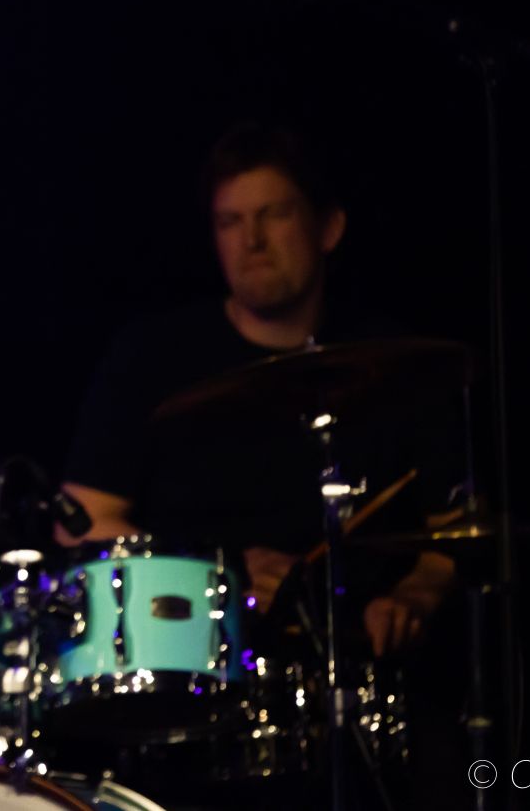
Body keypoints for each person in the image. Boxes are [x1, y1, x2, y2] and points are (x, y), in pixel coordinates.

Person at [60, 123, 463, 656]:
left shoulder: (399, 363)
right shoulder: (150, 357)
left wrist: (412, 601)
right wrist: (214, 569)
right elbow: (81, 524)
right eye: (231, 221)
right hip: (198, 659)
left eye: (275, 214)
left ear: (329, 228)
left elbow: (454, 539)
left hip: (362, 660)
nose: (252, 241)